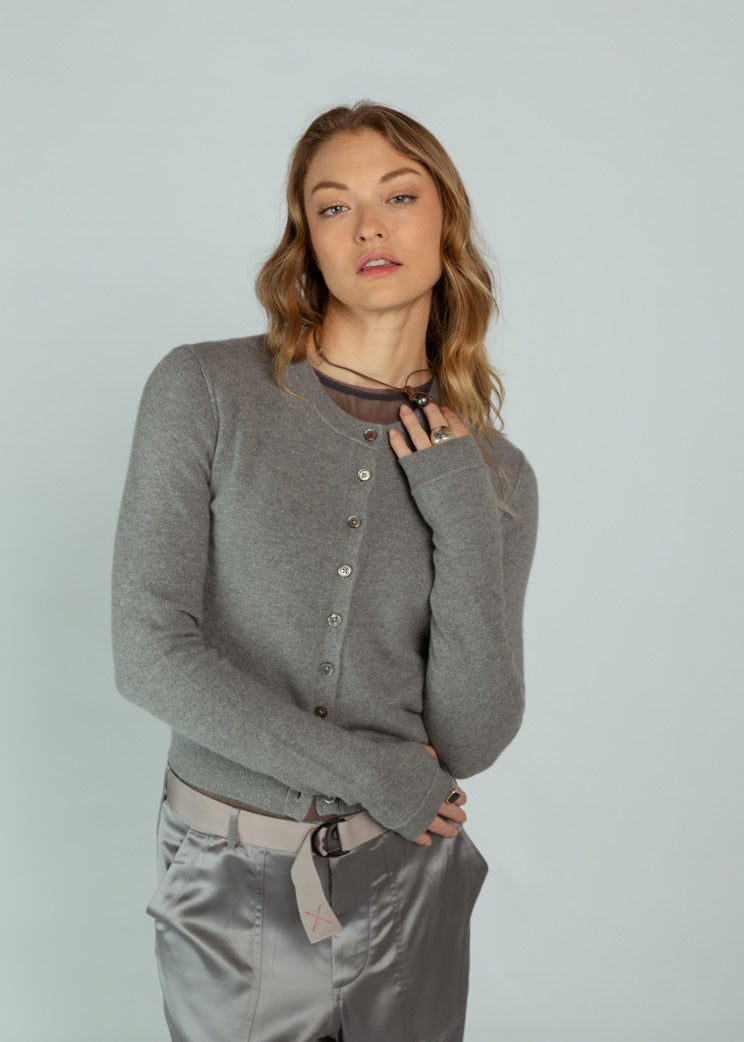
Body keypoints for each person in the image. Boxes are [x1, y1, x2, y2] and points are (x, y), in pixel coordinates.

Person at [111, 100, 538, 1042]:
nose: (369, 226)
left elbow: (471, 735)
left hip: (409, 886)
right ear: (307, 241)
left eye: (399, 195)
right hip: (229, 886)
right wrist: (370, 771)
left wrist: (463, 513)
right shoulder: (206, 391)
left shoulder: (495, 475)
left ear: (446, 223)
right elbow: (148, 652)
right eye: (334, 206)